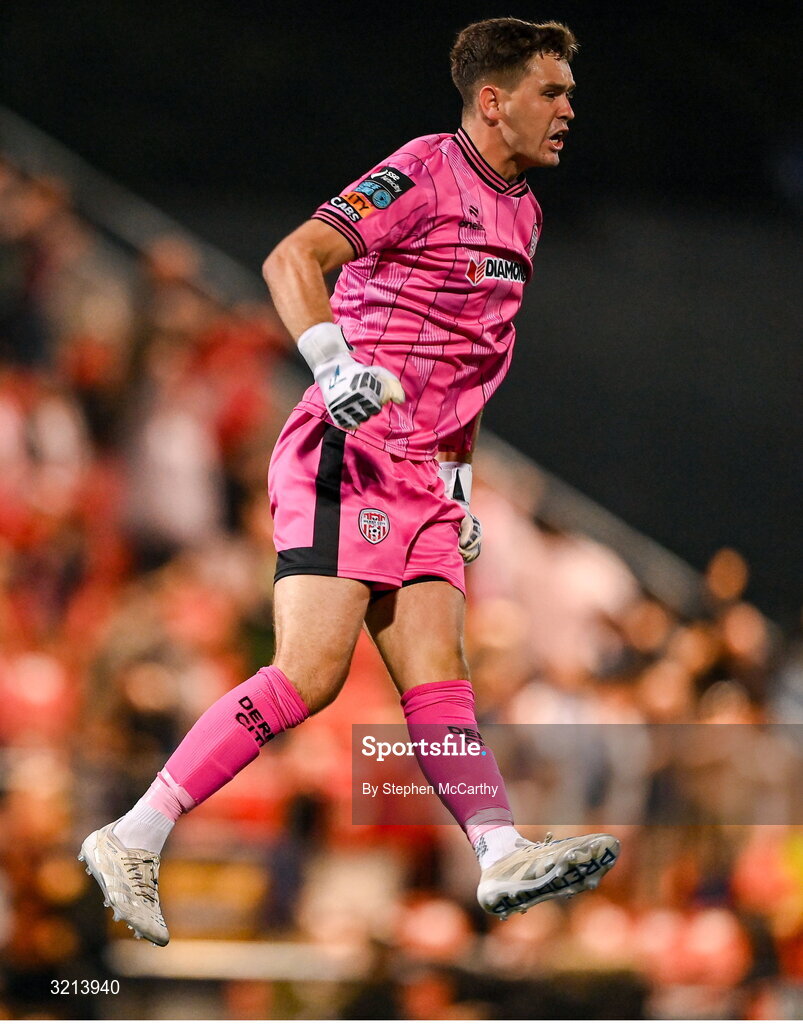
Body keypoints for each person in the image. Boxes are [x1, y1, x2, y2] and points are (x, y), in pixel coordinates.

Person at [79, 17, 619, 947]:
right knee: (311, 674)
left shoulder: (523, 212)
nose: (569, 108)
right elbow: (291, 259)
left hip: (427, 475)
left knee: (441, 683)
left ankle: (497, 855)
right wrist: (333, 366)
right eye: (551, 91)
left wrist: (458, 484)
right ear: (493, 101)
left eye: (568, 92)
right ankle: (134, 833)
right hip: (350, 449)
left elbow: (473, 365)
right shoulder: (421, 168)